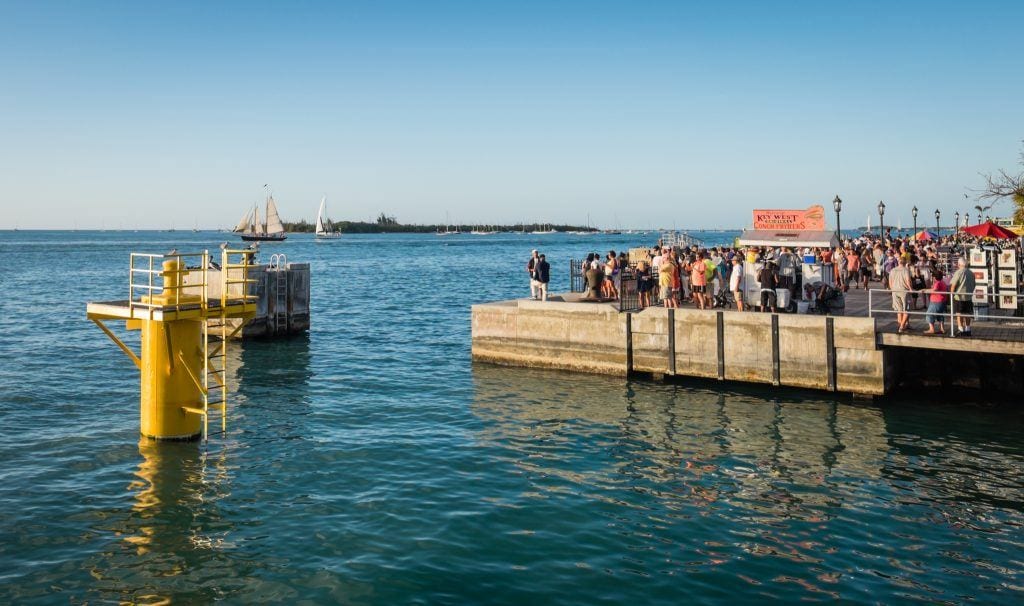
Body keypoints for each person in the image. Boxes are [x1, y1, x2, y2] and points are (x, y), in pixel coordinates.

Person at [949, 257, 976, 336]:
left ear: (959, 264)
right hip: (968, 296)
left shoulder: (958, 272)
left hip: (959, 296)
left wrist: (951, 294)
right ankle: (968, 329)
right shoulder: (971, 273)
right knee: (967, 313)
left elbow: (953, 285)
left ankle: (960, 329)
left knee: (959, 313)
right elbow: (974, 285)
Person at [889, 256, 913, 332]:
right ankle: (902, 326)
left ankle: (901, 326)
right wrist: (911, 289)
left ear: (898, 262)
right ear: (905, 262)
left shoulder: (893, 270)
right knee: (907, 309)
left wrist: (892, 289)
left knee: (899, 310)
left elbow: (890, 281)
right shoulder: (906, 270)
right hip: (904, 290)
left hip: (895, 290)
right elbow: (908, 280)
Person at [925, 270, 948, 334]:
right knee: (940, 315)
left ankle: (931, 329)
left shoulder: (937, 283)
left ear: (934, 277)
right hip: (942, 301)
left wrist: (926, 290)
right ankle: (942, 329)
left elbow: (935, 289)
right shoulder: (942, 282)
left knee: (929, 314)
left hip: (936, 301)